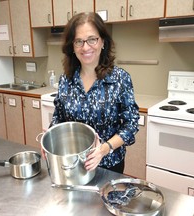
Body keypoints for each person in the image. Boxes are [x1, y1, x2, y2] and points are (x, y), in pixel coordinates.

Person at [49, 12, 139, 174]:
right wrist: (49, 139)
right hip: (73, 163)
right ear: (72, 46)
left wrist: (103, 149)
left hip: (109, 165)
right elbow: (59, 118)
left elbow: (130, 124)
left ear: (103, 41)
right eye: (79, 41)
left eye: (92, 39)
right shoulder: (66, 80)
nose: (85, 47)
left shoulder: (120, 79)